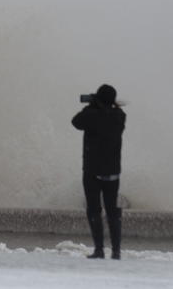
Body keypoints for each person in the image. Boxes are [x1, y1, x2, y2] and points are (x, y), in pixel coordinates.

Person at [72, 84, 126, 259]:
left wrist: (91, 106)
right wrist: (98, 105)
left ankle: (99, 249)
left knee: (94, 209)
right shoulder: (119, 116)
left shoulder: (92, 115)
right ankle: (116, 250)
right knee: (112, 210)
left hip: (92, 171)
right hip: (113, 171)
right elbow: (107, 116)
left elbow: (76, 122)